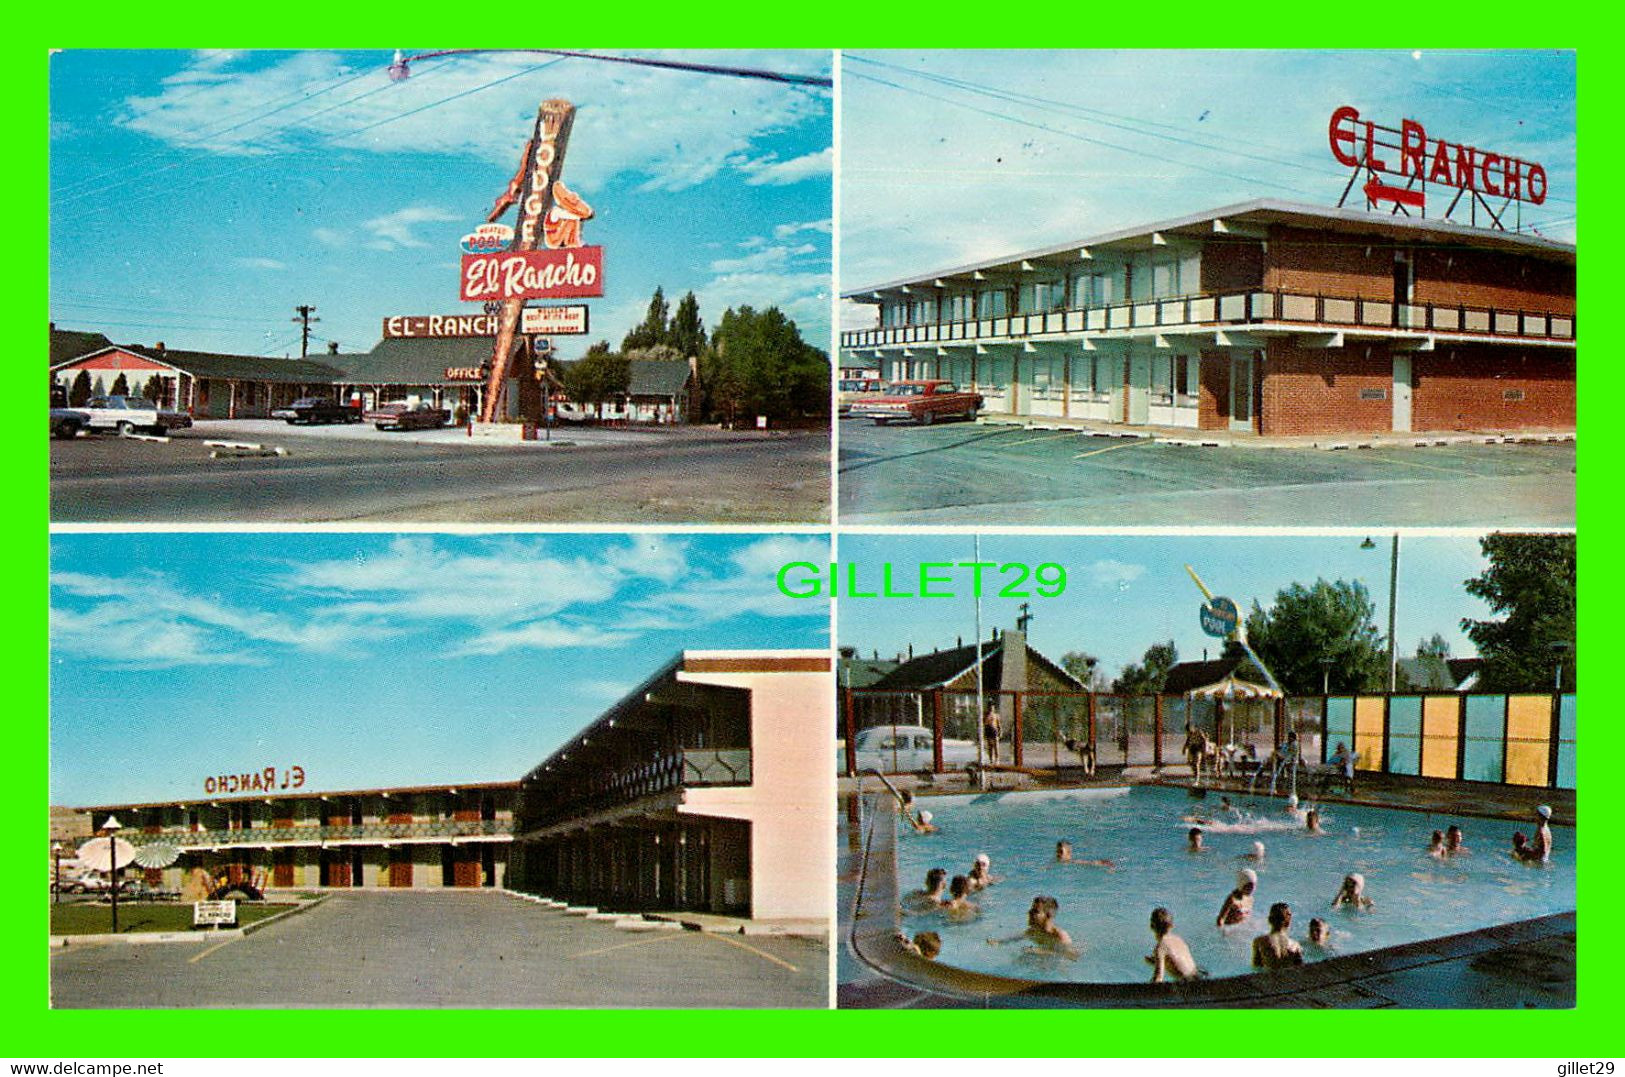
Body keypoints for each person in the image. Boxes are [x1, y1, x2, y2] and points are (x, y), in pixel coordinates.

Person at [1146, 906, 1203, 983]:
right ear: (1172, 926)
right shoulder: (1179, 940)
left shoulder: (1160, 948)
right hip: (1199, 977)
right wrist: (1158, 961)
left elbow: (1158, 978)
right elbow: (1176, 961)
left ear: (1151, 926)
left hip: (1188, 984)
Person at [1251, 902, 1305, 969]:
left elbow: (1256, 968)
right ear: (1288, 921)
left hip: (1269, 977)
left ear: (1269, 920)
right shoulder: (1295, 945)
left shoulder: (1260, 942)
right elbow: (1301, 969)